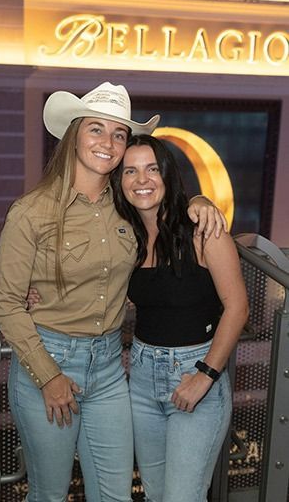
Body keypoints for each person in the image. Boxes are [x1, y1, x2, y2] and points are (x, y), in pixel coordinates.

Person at [0, 81, 226, 502]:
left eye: (119, 133)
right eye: (96, 129)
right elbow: (6, 302)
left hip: (110, 370)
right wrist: (48, 377)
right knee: (49, 492)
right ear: (74, 136)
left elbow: (167, 217)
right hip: (49, 360)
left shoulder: (127, 207)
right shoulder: (32, 211)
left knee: (115, 494)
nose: (109, 142)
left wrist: (202, 200)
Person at [111, 134, 249, 502]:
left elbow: (237, 307)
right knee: (156, 496)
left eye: (152, 169)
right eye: (130, 171)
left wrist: (204, 376)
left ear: (167, 174)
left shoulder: (203, 230)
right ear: (119, 181)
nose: (142, 180)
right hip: (140, 378)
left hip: (194, 373)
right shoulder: (128, 237)